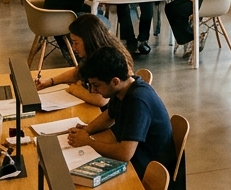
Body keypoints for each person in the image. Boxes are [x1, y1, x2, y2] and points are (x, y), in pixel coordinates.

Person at [65, 47, 175, 179]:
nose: (93, 91)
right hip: (138, 158)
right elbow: (109, 115)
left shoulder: (138, 101)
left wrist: (88, 142)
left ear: (115, 81)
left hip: (147, 171)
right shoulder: (126, 87)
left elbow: (125, 153)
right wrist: (87, 130)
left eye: (96, 85)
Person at [35, 14, 134, 108]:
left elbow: (101, 100)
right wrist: (50, 82)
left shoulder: (108, 58)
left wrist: (74, 89)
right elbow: (77, 72)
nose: (73, 47)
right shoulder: (97, 51)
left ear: (89, 40)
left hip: (110, 112)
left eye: (76, 42)